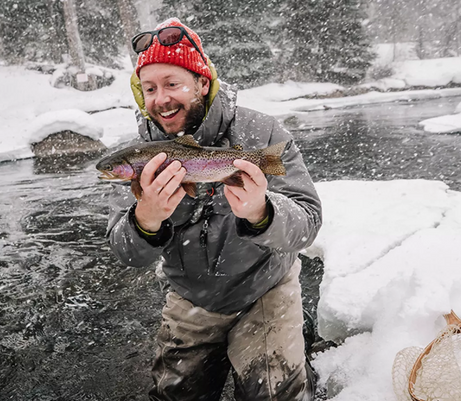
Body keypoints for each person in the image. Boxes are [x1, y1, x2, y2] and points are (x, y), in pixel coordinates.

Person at [105, 17, 322, 401]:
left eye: (173, 84)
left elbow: (308, 223)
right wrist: (146, 220)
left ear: (202, 83)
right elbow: (125, 252)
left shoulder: (263, 134)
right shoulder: (137, 156)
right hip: (192, 297)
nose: (161, 98)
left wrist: (262, 212)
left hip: (265, 288)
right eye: (150, 88)